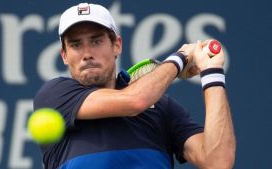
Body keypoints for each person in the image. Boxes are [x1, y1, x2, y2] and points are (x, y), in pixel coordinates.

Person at [33, 2, 236, 169]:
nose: (86, 53)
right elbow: (135, 100)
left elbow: (218, 162)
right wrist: (181, 57)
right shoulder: (53, 95)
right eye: (76, 45)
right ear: (64, 55)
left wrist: (212, 73)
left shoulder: (163, 108)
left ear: (117, 45)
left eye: (96, 41)